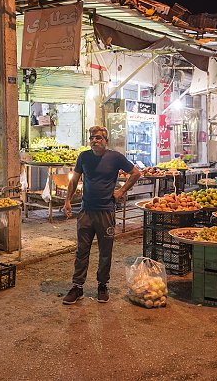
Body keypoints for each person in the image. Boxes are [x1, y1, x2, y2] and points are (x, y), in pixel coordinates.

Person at [62, 126, 141, 305]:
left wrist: (121, 191)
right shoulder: (84, 157)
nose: (94, 141)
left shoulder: (115, 157)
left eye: (98, 138)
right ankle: (77, 287)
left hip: (106, 211)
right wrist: (67, 200)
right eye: (91, 138)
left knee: (105, 251)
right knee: (82, 250)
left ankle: (102, 285)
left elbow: (136, 173)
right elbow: (74, 180)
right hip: (86, 212)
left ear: (106, 141)